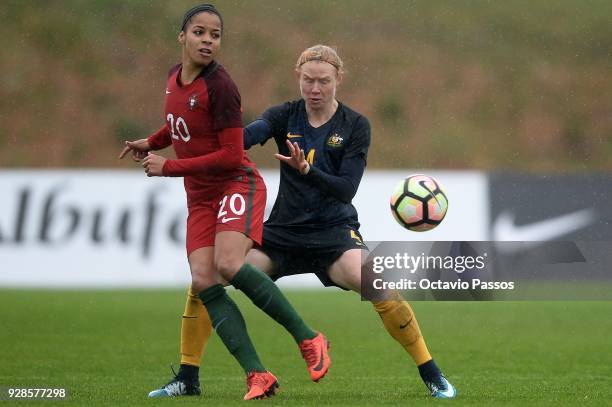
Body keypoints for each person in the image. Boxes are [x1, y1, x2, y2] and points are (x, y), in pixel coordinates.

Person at [172, 44, 458, 399]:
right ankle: (187, 377)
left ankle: (431, 371)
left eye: (324, 81)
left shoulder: (355, 125)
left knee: (375, 282)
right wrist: (210, 141)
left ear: (338, 79)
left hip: (333, 233)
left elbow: (345, 190)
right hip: (282, 234)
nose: (315, 89)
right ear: (299, 77)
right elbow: (248, 136)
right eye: (308, 80)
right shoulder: (283, 116)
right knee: (206, 279)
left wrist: (307, 170)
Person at [118, 6, 330, 401]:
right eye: (199, 32)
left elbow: (232, 155)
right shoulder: (173, 78)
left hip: (237, 185)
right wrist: (153, 140)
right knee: (203, 280)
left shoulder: (222, 87)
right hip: (200, 196)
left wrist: (170, 167)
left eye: (215, 35)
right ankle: (258, 375)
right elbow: (180, 122)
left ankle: (308, 338)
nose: (208, 41)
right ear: (182, 37)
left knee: (229, 264)